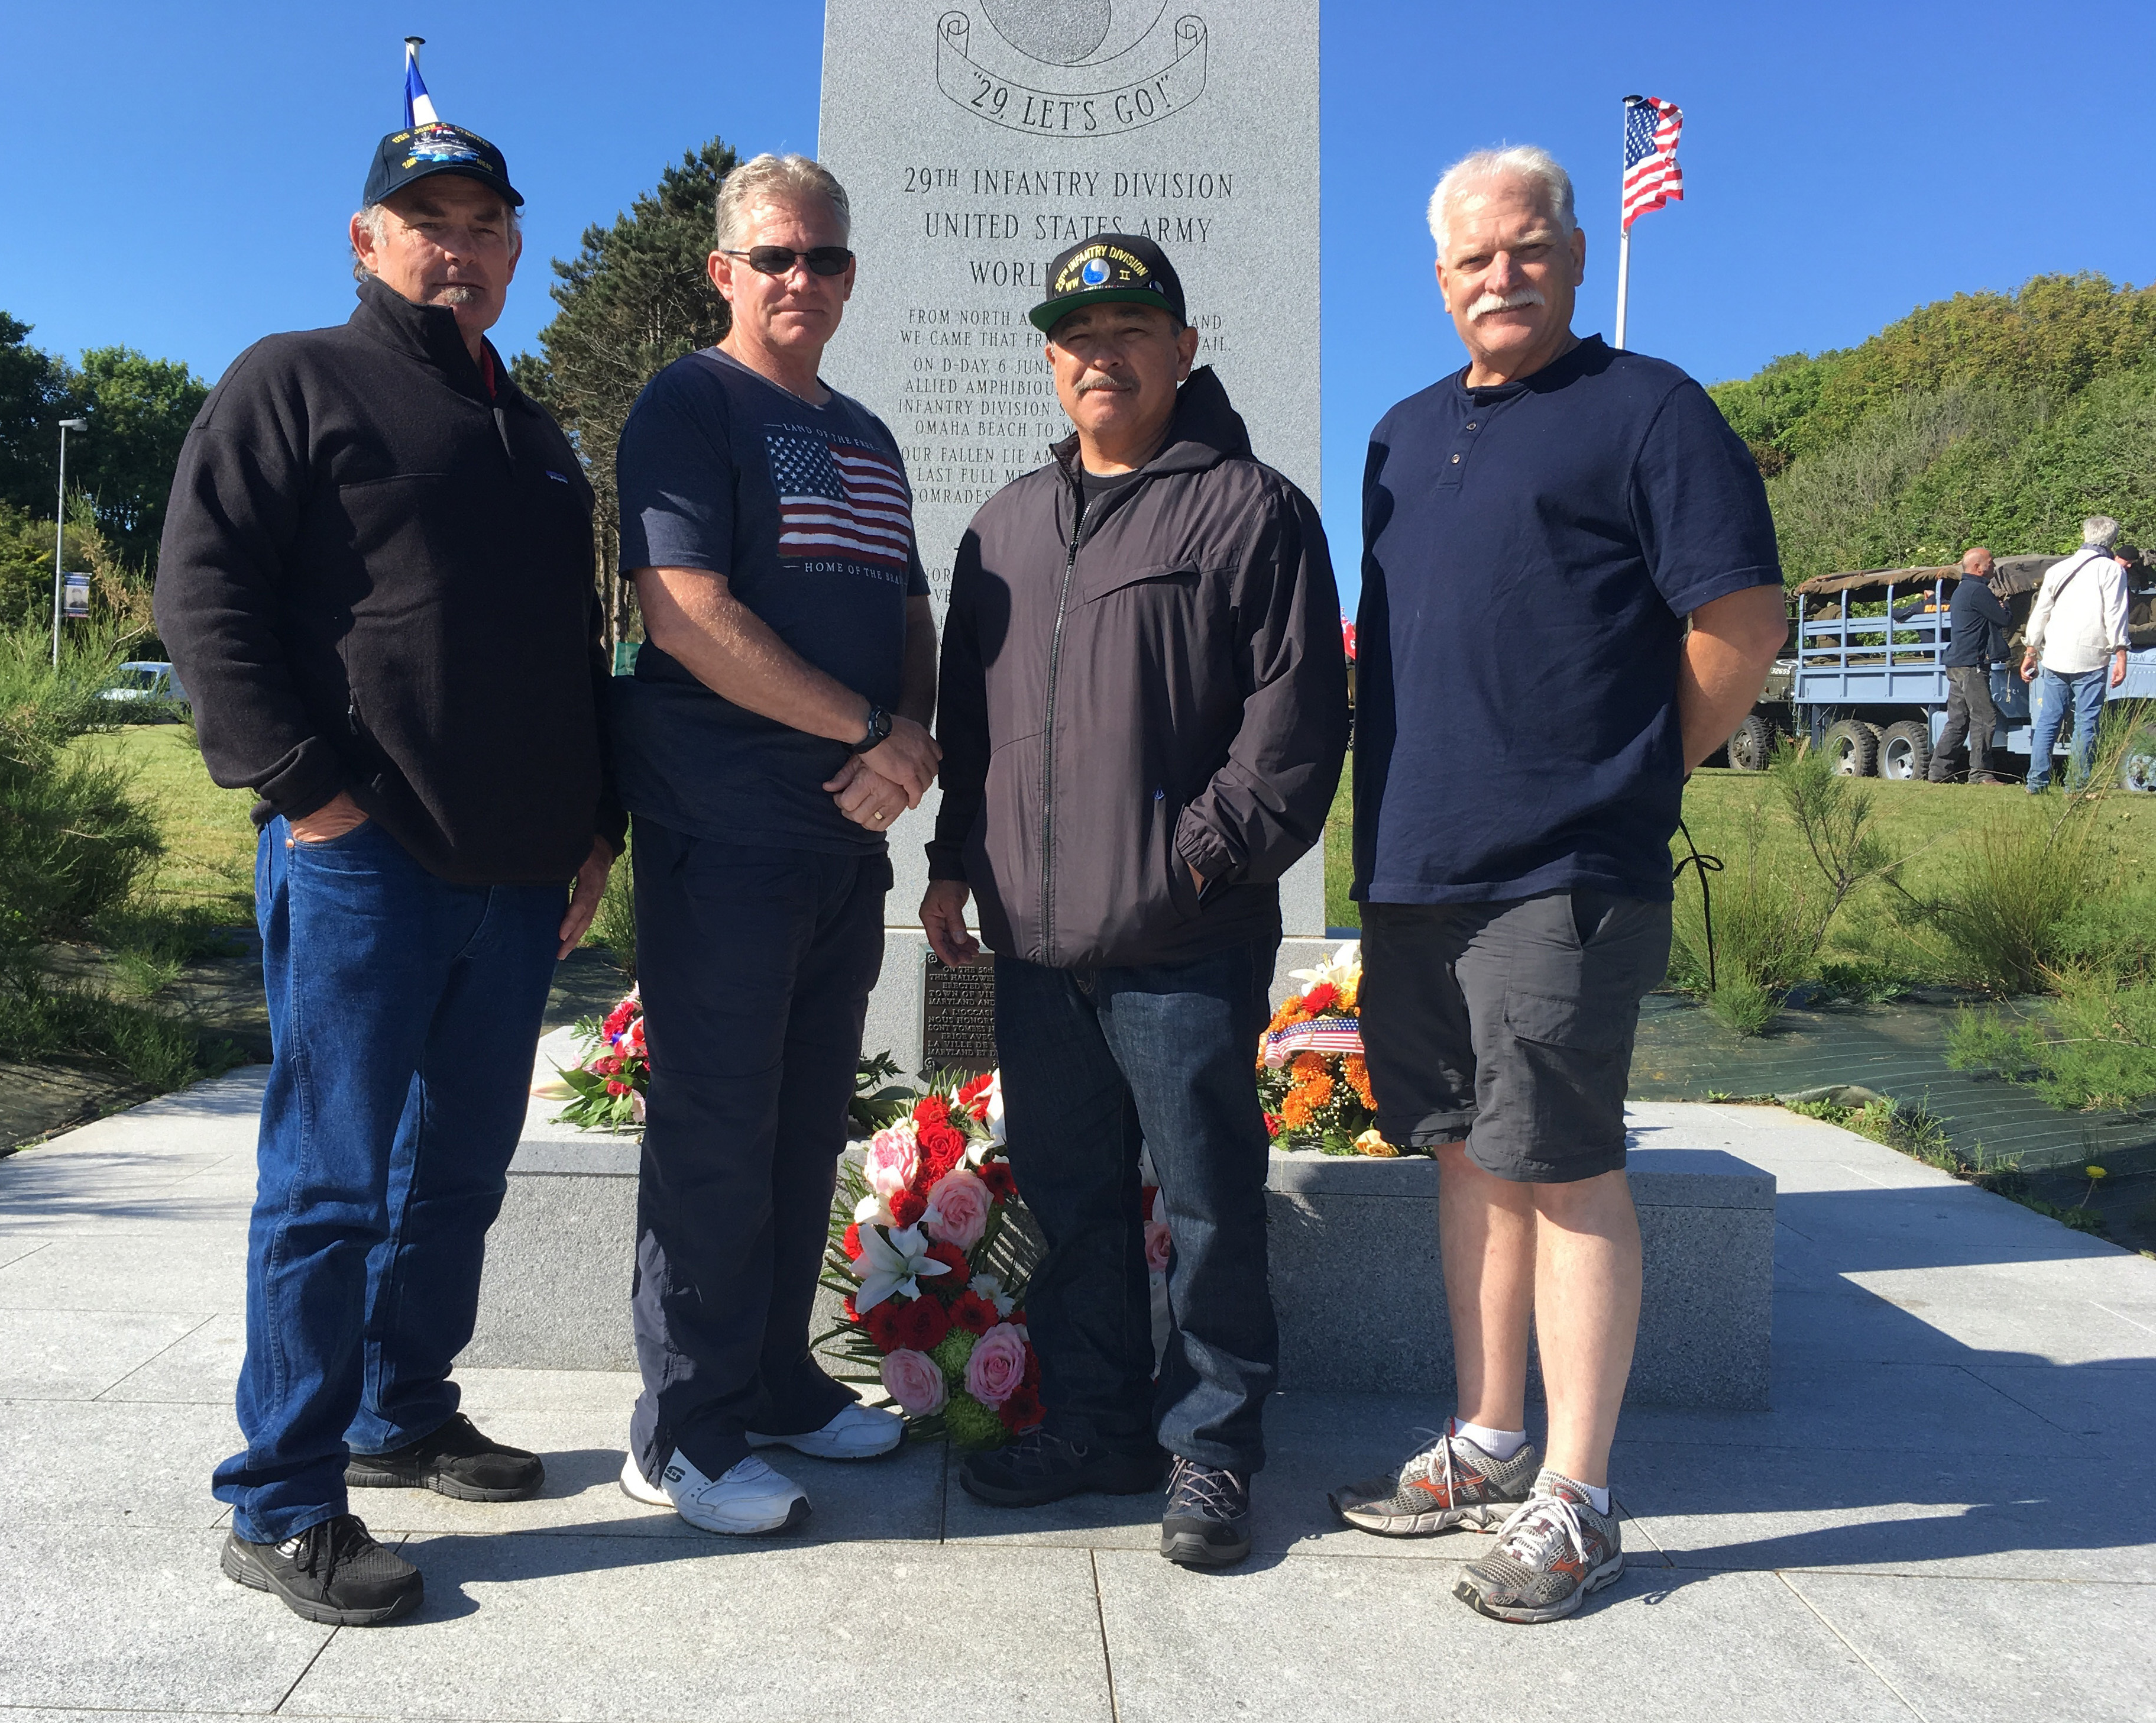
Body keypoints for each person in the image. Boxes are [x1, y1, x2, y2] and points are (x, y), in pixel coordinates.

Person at [156, 101, 621, 1626]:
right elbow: (202, 589)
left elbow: (571, 656)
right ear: (368, 240)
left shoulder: (537, 435)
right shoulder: (294, 380)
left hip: (513, 872)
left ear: (514, 252)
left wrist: (589, 831)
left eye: (488, 227)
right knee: (330, 1184)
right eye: (430, 222)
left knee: (458, 1176)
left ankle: (401, 1405)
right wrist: (304, 791)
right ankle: (283, 1500)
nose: (461, 248)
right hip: (362, 857)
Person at [1328, 146, 1787, 1623]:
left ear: (1576, 255)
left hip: (1561, 869)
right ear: (1440, 278)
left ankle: (1578, 1497)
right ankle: (1487, 1433)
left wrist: (1639, 773)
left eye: (1524, 249)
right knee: (1466, 1151)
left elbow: (1742, 613)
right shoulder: (1398, 437)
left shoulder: (1649, 411)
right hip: (1413, 865)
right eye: (1469, 259)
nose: (1498, 277)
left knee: (1568, 1165)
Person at [924, 235, 1348, 1568]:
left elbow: (1294, 730)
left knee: (1209, 1199)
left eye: (1127, 329)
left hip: (1178, 938)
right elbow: (969, 724)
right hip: (1038, 946)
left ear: (1181, 345)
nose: (1098, 354)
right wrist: (952, 862)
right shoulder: (1000, 523)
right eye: (1075, 333)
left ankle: (1212, 1447)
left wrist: (1195, 865)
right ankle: (1098, 1421)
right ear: (1050, 356)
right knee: (1075, 1198)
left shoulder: (1247, 508)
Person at [610, 153, 940, 1536]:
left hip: (838, 848)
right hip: (723, 831)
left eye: (825, 258)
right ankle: (681, 1428)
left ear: (852, 274)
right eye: (776, 257)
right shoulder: (690, 405)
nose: (801, 279)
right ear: (725, 270)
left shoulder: (866, 432)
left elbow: (909, 614)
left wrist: (907, 736)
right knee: (716, 1131)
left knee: (807, 1126)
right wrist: (872, 726)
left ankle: (775, 1383)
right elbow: (682, 613)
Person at [2021, 516, 2130, 793]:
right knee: (2086, 722)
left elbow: (2041, 611)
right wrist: (2121, 654)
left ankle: (2036, 782)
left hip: (2056, 654)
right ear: (2112, 541)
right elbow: (2115, 614)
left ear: (2084, 534)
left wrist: (2031, 649)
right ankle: (2078, 784)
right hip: (2092, 656)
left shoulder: (2059, 569)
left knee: (2048, 721)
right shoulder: (2112, 571)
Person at [1926, 548, 2009, 785]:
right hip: (1972, 664)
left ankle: (1939, 771)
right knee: (1984, 717)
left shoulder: (1962, 590)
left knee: (1958, 720)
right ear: (1978, 567)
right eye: (1991, 563)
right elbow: (2003, 620)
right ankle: (1981, 773)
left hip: (1956, 662)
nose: (1994, 566)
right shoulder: (1978, 590)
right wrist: (2006, 606)